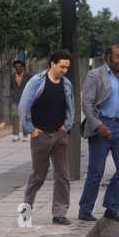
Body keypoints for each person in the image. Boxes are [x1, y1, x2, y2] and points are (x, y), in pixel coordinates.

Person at [78, 45, 119, 223]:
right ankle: (85, 210)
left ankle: (111, 207)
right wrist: (97, 125)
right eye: (117, 57)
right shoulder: (95, 75)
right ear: (107, 58)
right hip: (102, 126)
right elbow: (86, 104)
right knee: (96, 172)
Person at [19, 49, 75, 225]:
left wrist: (66, 126)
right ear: (52, 64)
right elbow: (23, 107)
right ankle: (25, 212)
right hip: (41, 136)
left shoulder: (66, 84)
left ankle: (59, 213)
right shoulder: (36, 82)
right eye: (62, 66)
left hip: (59, 136)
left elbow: (70, 107)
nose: (64, 71)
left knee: (63, 175)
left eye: (67, 68)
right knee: (38, 177)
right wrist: (31, 130)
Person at [10, 60, 32, 142]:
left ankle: (25, 134)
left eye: (19, 67)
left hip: (25, 99)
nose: (18, 68)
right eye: (16, 67)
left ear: (22, 67)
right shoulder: (12, 76)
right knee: (15, 115)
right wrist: (12, 94)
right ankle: (16, 134)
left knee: (24, 116)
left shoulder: (28, 75)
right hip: (15, 99)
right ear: (14, 68)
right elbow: (11, 87)